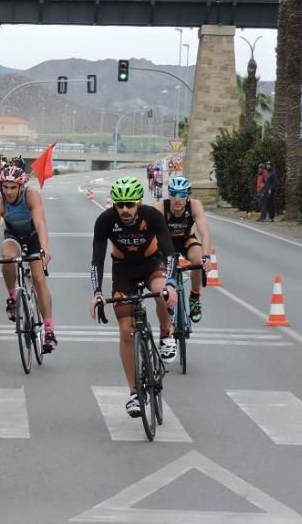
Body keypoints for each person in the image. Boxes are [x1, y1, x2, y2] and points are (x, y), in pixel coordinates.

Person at [89, 177, 178, 418]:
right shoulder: (105, 221)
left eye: (130, 204)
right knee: (125, 329)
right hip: (123, 272)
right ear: (114, 205)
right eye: (120, 205)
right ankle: (135, 393)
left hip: (152, 264)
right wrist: (97, 292)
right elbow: (97, 260)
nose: (125, 210)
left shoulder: (152, 216)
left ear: (138, 203)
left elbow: (169, 251)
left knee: (161, 292)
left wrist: (171, 284)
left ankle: (167, 334)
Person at [0, 163, 57, 352]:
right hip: (13, 236)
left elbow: (40, 223)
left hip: (33, 238)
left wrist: (44, 249)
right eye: (5, 187)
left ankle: (49, 329)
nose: (8, 191)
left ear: (21, 187)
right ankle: (12, 298)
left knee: (39, 279)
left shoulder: (31, 196)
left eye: (13, 187)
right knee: (7, 257)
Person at [153, 176, 212, 323]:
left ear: (188, 195)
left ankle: (195, 297)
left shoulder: (194, 205)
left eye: (182, 195)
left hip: (186, 240)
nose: (177, 199)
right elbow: (151, 235)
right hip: (166, 243)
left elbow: (204, 233)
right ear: (169, 195)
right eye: (173, 194)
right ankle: (168, 293)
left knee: (197, 260)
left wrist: (206, 256)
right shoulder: (160, 207)